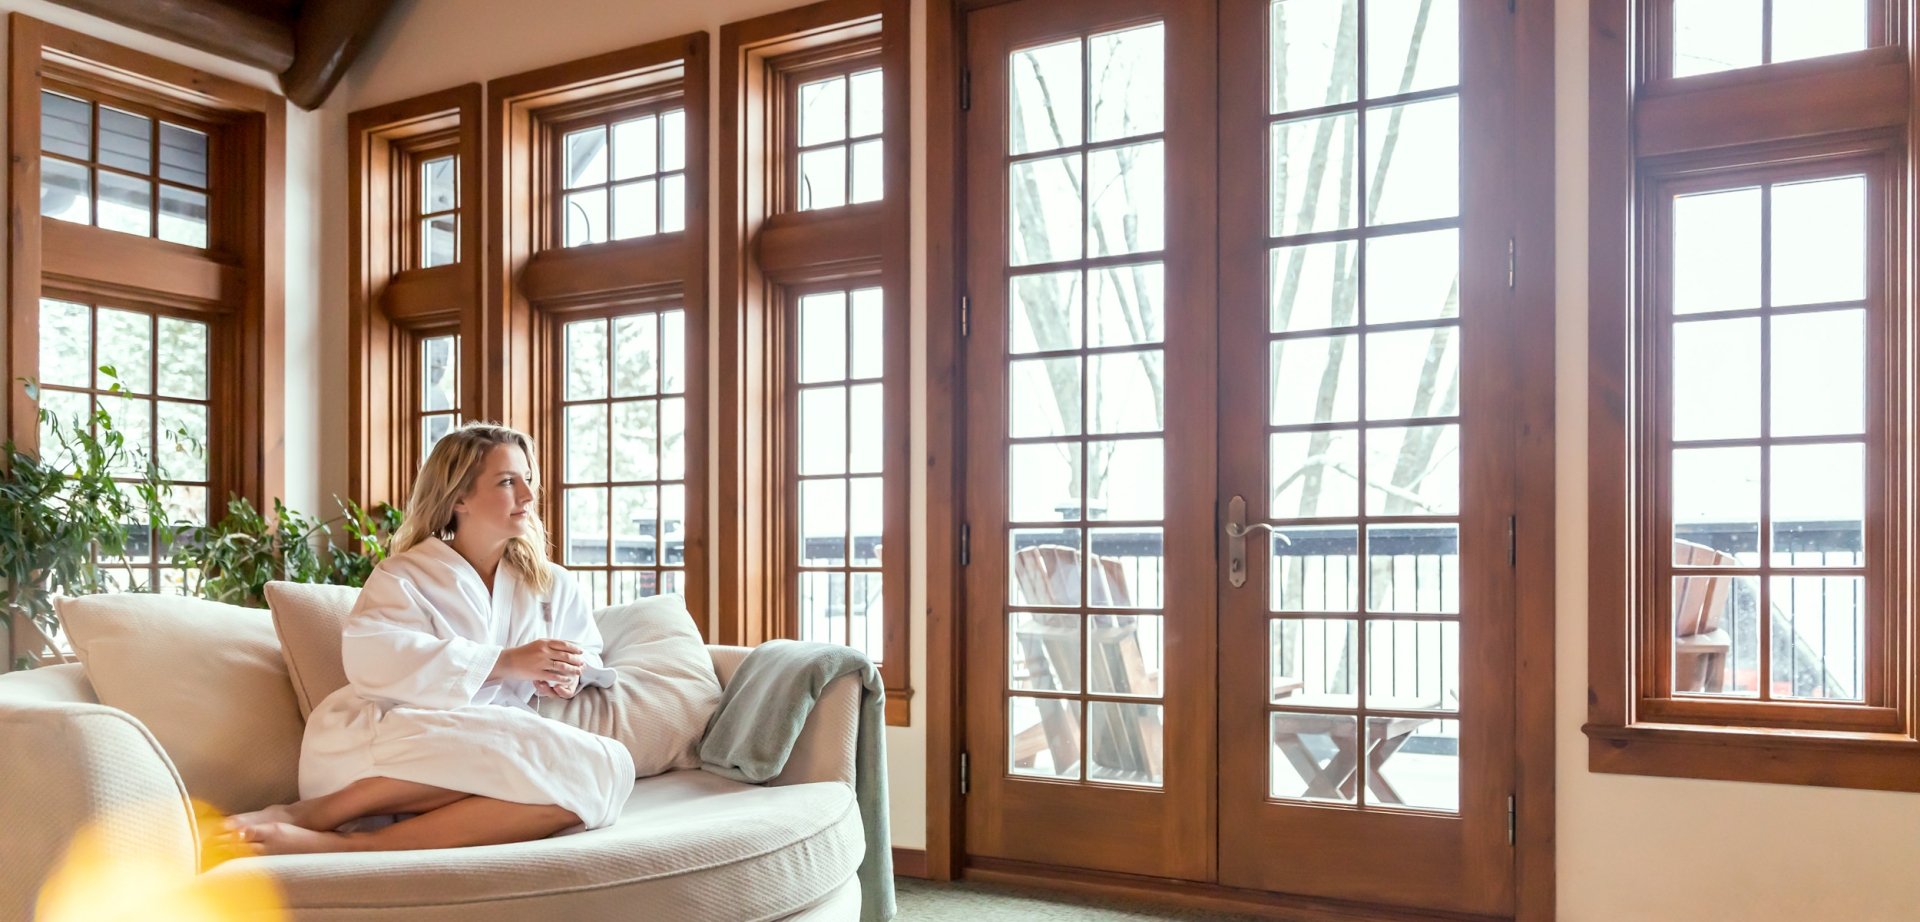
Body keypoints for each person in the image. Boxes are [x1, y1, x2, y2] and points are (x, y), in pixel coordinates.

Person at [226, 423, 634, 854]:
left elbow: (585, 653)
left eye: (528, 480)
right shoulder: (403, 575)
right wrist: (507, 662)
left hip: (499, 737)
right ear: (459, 497)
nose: (529, 496)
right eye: (508, 482)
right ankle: (315, 813)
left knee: (607, 770)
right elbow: (373, 659)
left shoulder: (551, 583)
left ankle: (344, 848)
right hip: (402, 732)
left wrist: (566, 675)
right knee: (531, 753)